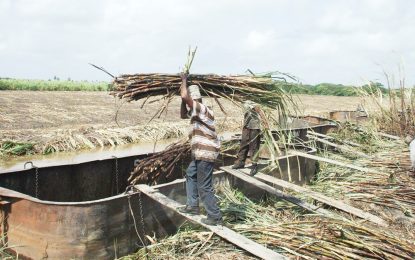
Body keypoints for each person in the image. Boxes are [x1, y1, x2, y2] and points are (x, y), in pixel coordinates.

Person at [177, 73, 223, 226]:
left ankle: (215, 216)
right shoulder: (195, 112)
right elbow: (183, 114)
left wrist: (183, 80)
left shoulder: (202, 109)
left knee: (204, 186)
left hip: (206, 153)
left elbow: (185, 97)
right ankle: (192, 206)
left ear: (195, 99)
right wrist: (183, 98)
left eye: (191, 100)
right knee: (191, 174)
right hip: (199, 154)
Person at [232, 100, 261, 176]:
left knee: (254, 147)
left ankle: (254, 166)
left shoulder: (253, 100)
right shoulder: (244, 100)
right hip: (246, 125)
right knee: (243, 144)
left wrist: (265, 123)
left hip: (254, 126)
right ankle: (241, 162)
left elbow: (259, 110)